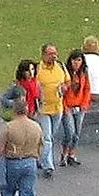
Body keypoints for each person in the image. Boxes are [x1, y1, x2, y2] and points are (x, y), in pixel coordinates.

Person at [0, 95, 46, 196]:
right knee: (27, 192)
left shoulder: (9, 127)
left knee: (7, 189)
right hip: (30, 162)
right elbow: (41, 146)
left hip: (12, 161)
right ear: (26, 111)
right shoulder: (36, 127)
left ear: (14, 111)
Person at [34, 43, 66, 176]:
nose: (54, 56)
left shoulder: (60, 67)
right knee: (47, 137)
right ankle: (48, 165)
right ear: (44, 55)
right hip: (43, 108)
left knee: (50, 136)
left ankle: (38, 156)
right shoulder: (38, 69)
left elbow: (67, 81)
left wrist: (64, 88)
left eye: (55, 53)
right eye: (50, 53)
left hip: (57, 107)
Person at [58, 49, 92, 167]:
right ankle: (64, 153)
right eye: (74, 60)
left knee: (77, 134)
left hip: (80, 107)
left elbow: (87, 89)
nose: (76, 63)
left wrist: (84, 104)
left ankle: (71, 155)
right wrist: (65, 106)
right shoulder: (65, 73)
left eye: (79, 60)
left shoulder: (84, 73)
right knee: (70, 133)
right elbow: (61, 92)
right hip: (68, 107)